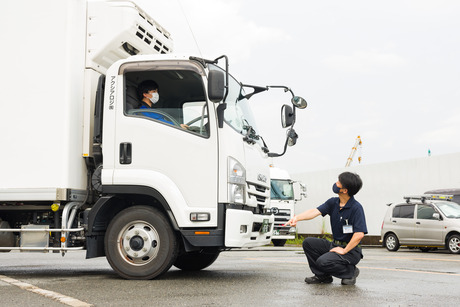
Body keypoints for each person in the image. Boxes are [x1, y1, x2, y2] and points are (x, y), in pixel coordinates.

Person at [285, 172, 367, 286]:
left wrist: (344, 250)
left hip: (351, 250)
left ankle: (350, 272)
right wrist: (297, 218)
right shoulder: (333, 202)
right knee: (309, 243)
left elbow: (359, 234)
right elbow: (314, 211)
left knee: (323, 261)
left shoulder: (356, 208)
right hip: (335, 245)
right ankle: (322, 276)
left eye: (338, 182)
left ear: (345, 190)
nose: (335, 183)